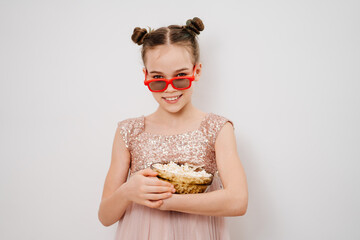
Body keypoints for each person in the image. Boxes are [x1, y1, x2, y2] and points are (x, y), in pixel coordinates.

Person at [98, 17, 248, 240]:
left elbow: (237, 201)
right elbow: (105, 216)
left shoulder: (217, 129)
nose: (169, 89)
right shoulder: (129, 132)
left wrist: (165, 202)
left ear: (196, 71)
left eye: (180, 77)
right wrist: (127, 191)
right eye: (158, 78)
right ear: (146, 76)